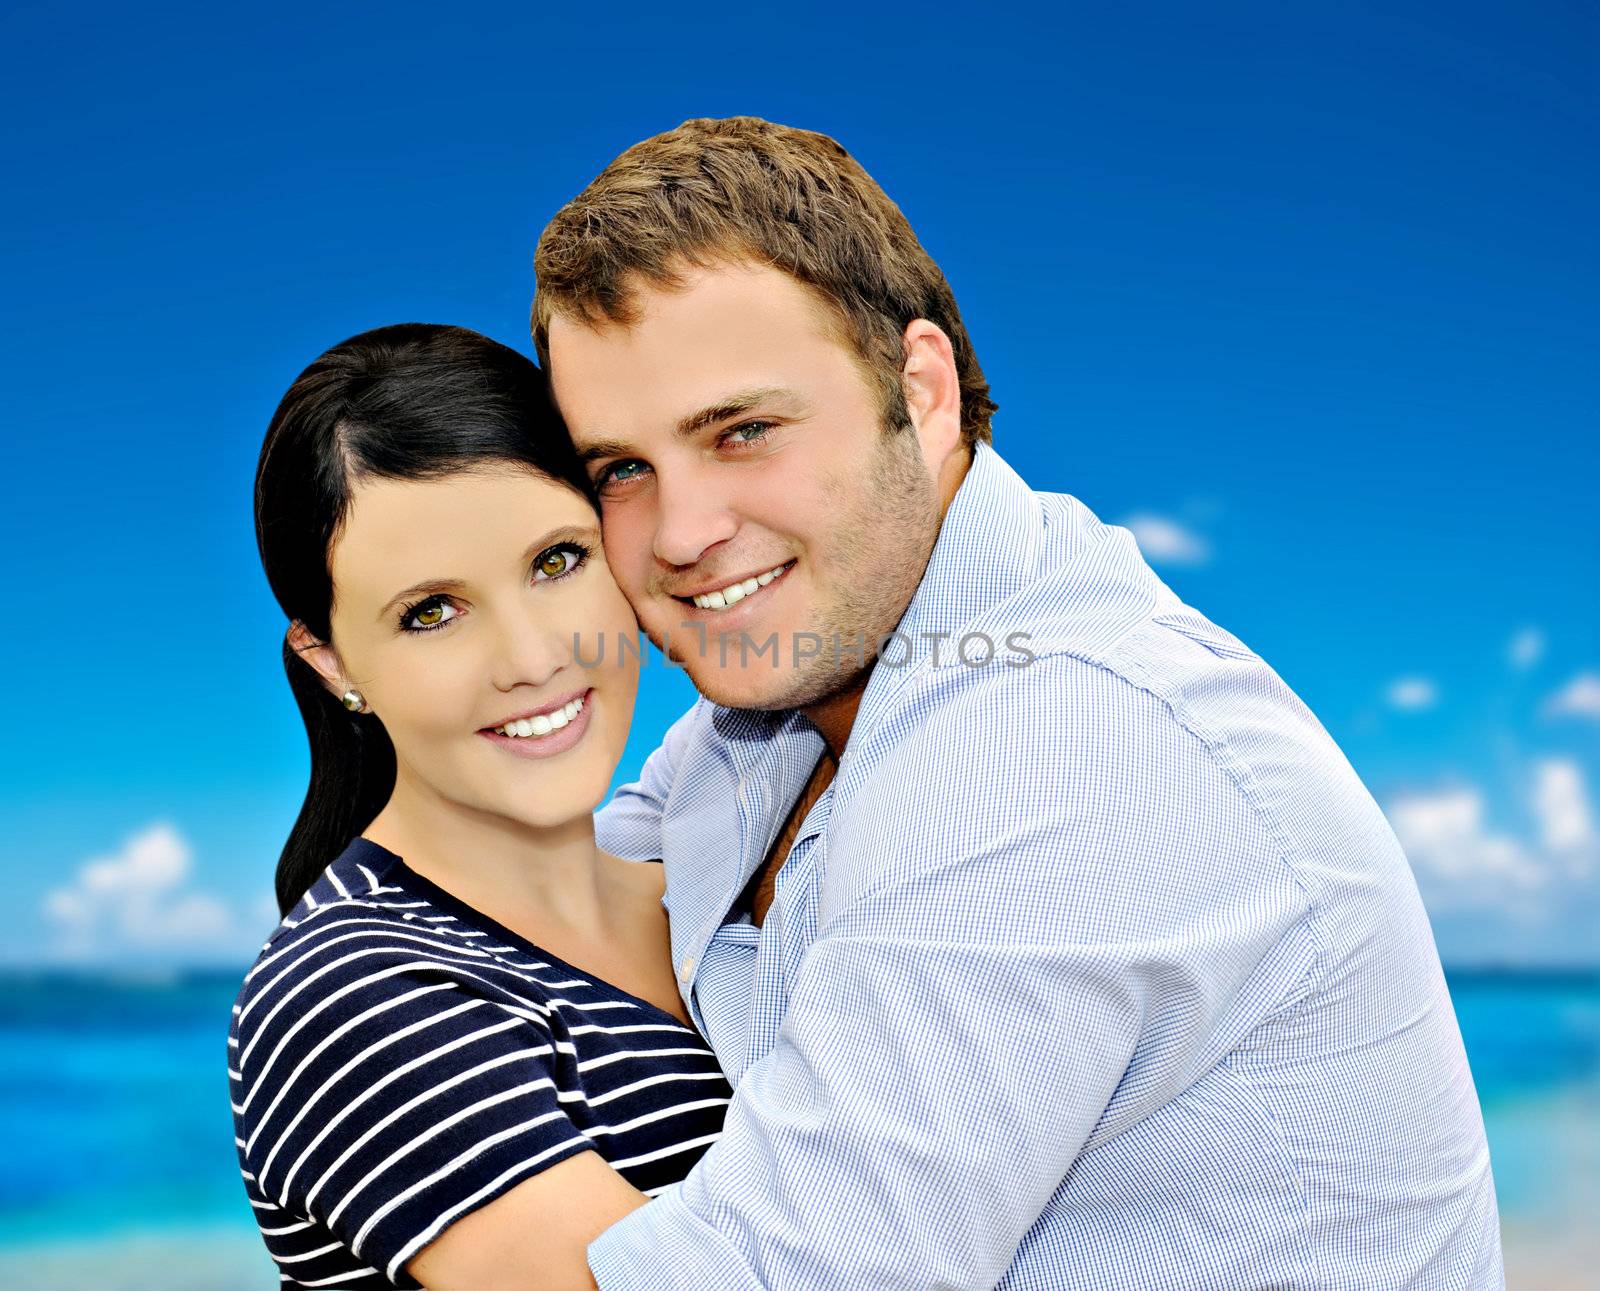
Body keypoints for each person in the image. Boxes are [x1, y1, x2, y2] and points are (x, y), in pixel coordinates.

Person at [534, 116, 1505, 1289]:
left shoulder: (1051, 735)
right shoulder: (771, 719)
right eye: (619, 471)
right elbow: (517, 912)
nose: (682, 535)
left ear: (923, 390)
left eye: (743, 430)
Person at [230, 324, 732, 1291]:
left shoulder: (719, 882)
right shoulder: (349, 993)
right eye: (432, 611)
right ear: (332, 662)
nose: (532, 657)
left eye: (556, 562)